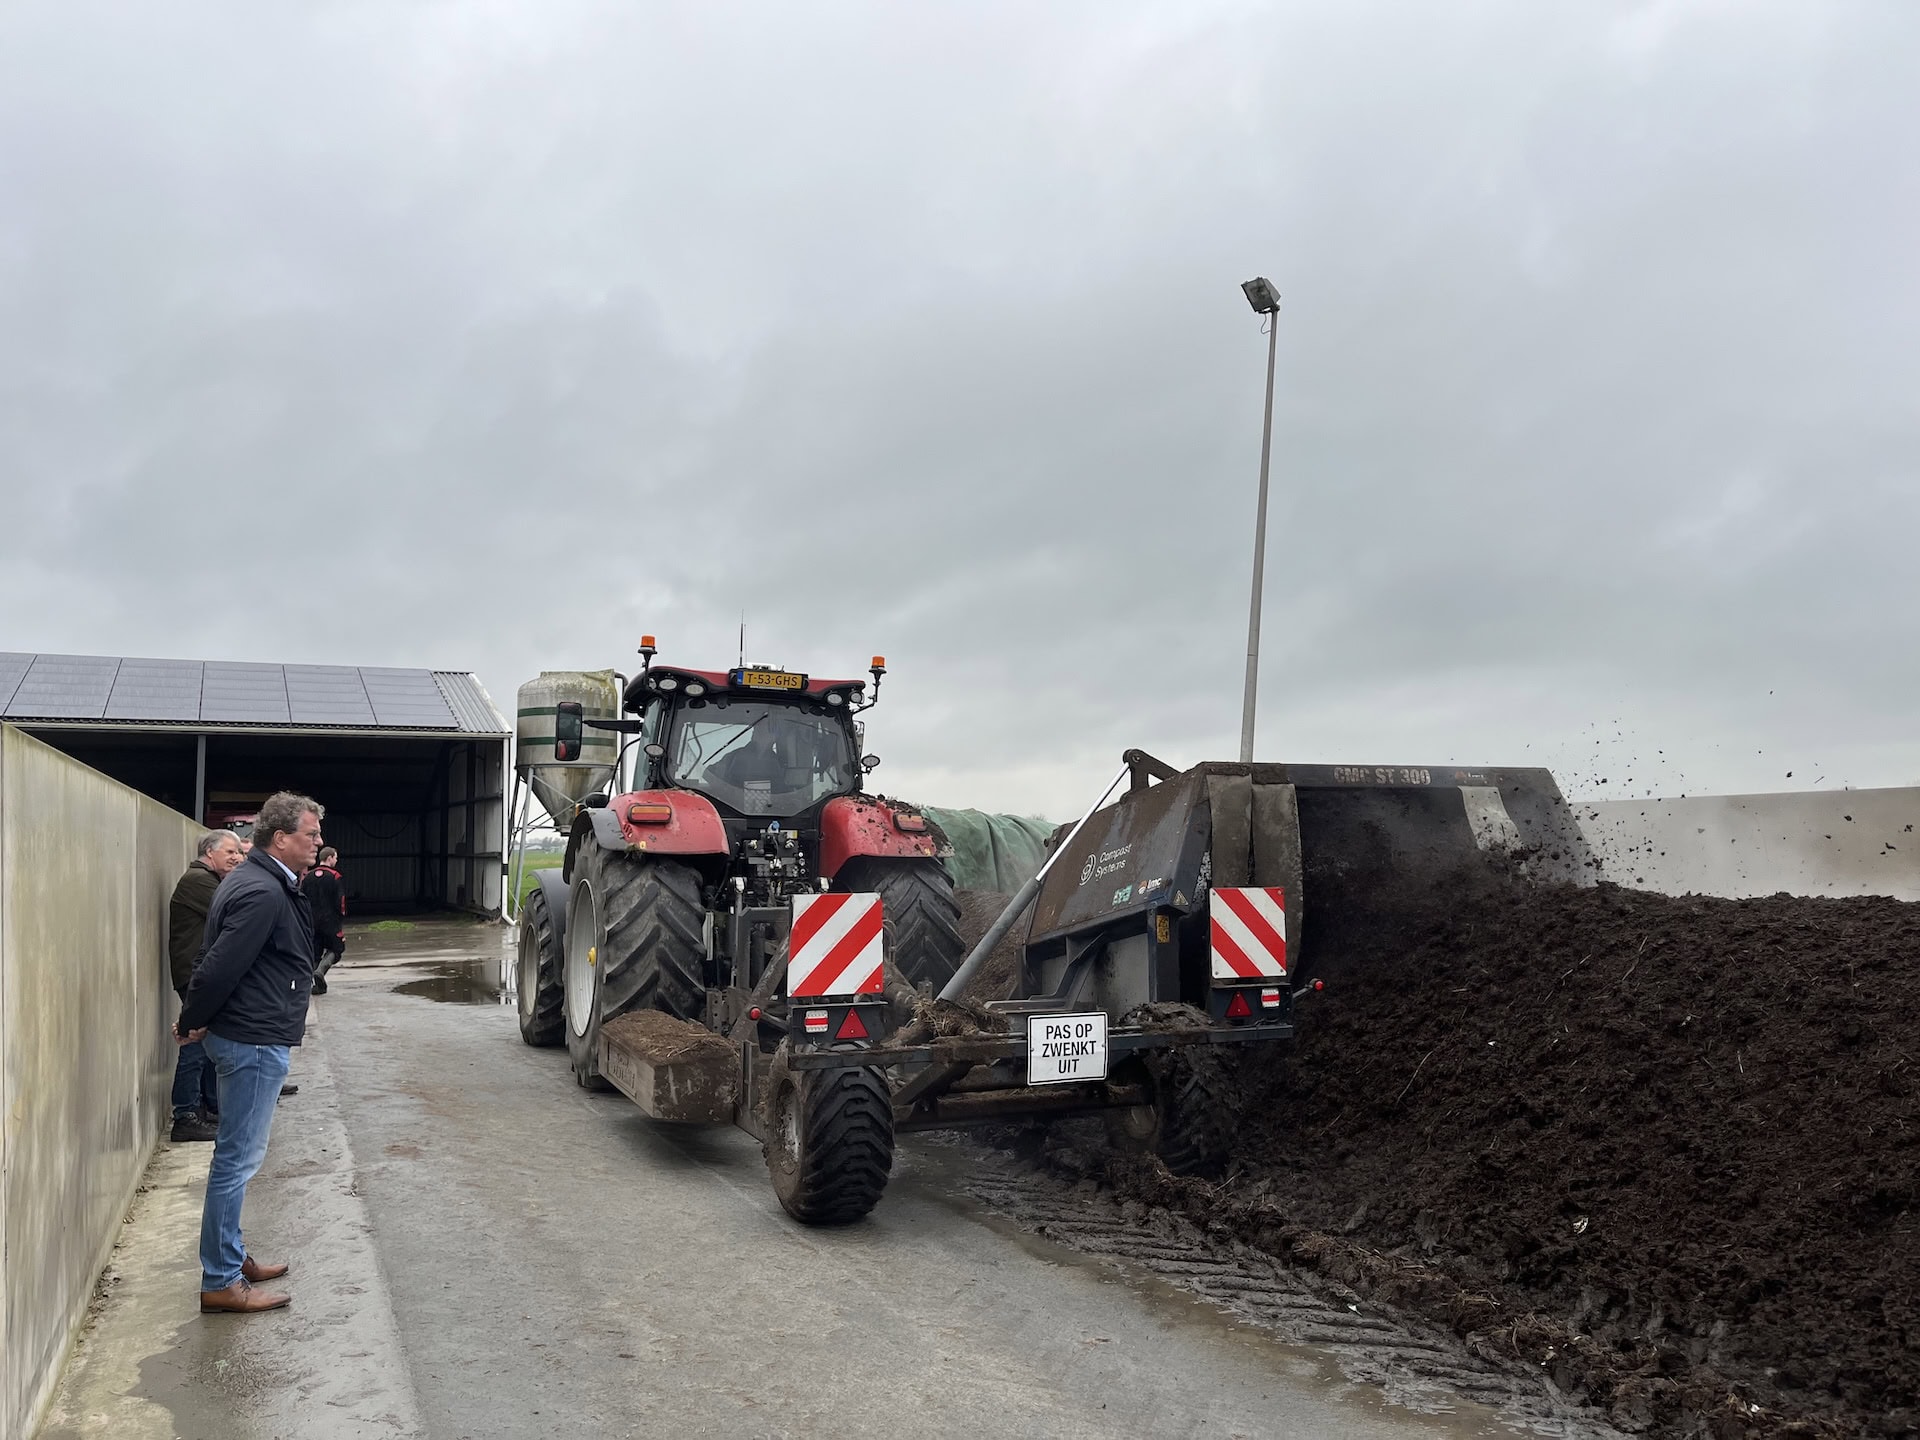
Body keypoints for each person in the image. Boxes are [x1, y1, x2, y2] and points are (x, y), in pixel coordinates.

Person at [177, 791, 323, 1314]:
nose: (318, 842)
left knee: (236, 1158)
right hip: (252, 1040)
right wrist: (194, 1018)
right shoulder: (261, 890)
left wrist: (201, 1020)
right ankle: (220, 1279)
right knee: (236, 1161)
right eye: (310, 834)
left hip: (249, 1033)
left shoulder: (259, 881)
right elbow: (217, 966)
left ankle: (233, 1258)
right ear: (281, 838)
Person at [167, 831, 245, 1142]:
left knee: (208, 1041)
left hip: (201, 973)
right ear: (209, 852)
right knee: (194, 1042)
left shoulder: (207, 879)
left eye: (239, 852)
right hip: (194, 975)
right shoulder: (199, 881)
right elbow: (234, 912)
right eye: (230, 851)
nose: (237, 857)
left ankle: (207, 1106)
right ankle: (185, 1113)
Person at [300, 847, 347, 995]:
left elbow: (301, 899)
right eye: (335, 857)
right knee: (337, 949)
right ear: (330, 858)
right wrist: (341, 917)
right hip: (331, 921)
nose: (336, 860)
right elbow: (341, 901)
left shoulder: (308, 876)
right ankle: (320, 972)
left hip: (312, 922)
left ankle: (316, 985)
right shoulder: (335, 876)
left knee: (315, 953)